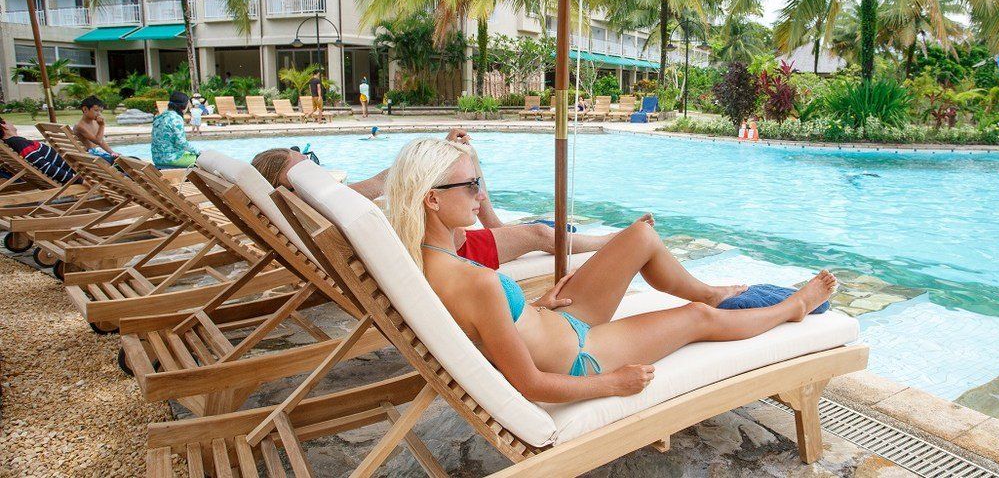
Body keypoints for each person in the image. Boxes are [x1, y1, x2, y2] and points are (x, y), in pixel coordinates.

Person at [383, 137, 837, 402]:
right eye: (472, 185)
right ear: (432, 198)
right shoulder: (473, 279)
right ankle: (793, 308)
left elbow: (479, 332)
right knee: (699, 322)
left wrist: (529, 306)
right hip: (583, 353)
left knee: (639, 235)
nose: (481, 195)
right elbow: (531, 384)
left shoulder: (427, 259)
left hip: (557, 318)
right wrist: (610, 383)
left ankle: (709, 290)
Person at [251, 129, 625, 269]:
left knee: (529, 231)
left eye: (308, 160)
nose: (312, 170)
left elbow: (389, 185)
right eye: (301, 167)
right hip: (444, 251)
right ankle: (611, 242)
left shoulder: (312, 207)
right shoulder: (322, 200)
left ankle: (473, 179)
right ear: (285, 186)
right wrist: (448, 159)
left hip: (432, 241)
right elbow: (386, 182)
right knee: (538, 235)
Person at [0, 116, 77, 183]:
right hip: (75, 173)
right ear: (4, 125)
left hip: (73, 169)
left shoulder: (10, 143)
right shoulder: (19, 143)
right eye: (7, 120)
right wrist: (78, 179)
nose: (11, 122)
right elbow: (44, 166)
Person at [152, 91, 199, 168]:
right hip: (171, 159)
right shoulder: (176, 118)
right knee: (202, 160)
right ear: (183, 106)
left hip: (157, 159)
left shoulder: (160, 117)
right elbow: (181, 143)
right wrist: (199, 152)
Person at [74, 96, 119, 163]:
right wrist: (102, 125)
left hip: (97, 155)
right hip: (90, 158)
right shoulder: (80, 126)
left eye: (100, 111)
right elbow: (98, 141)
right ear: (85, 109)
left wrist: (112, 152)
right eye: (96, 110)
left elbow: (101, 141)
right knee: (122, 162)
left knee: (125, 159)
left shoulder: (95, 122)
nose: (99, 114)